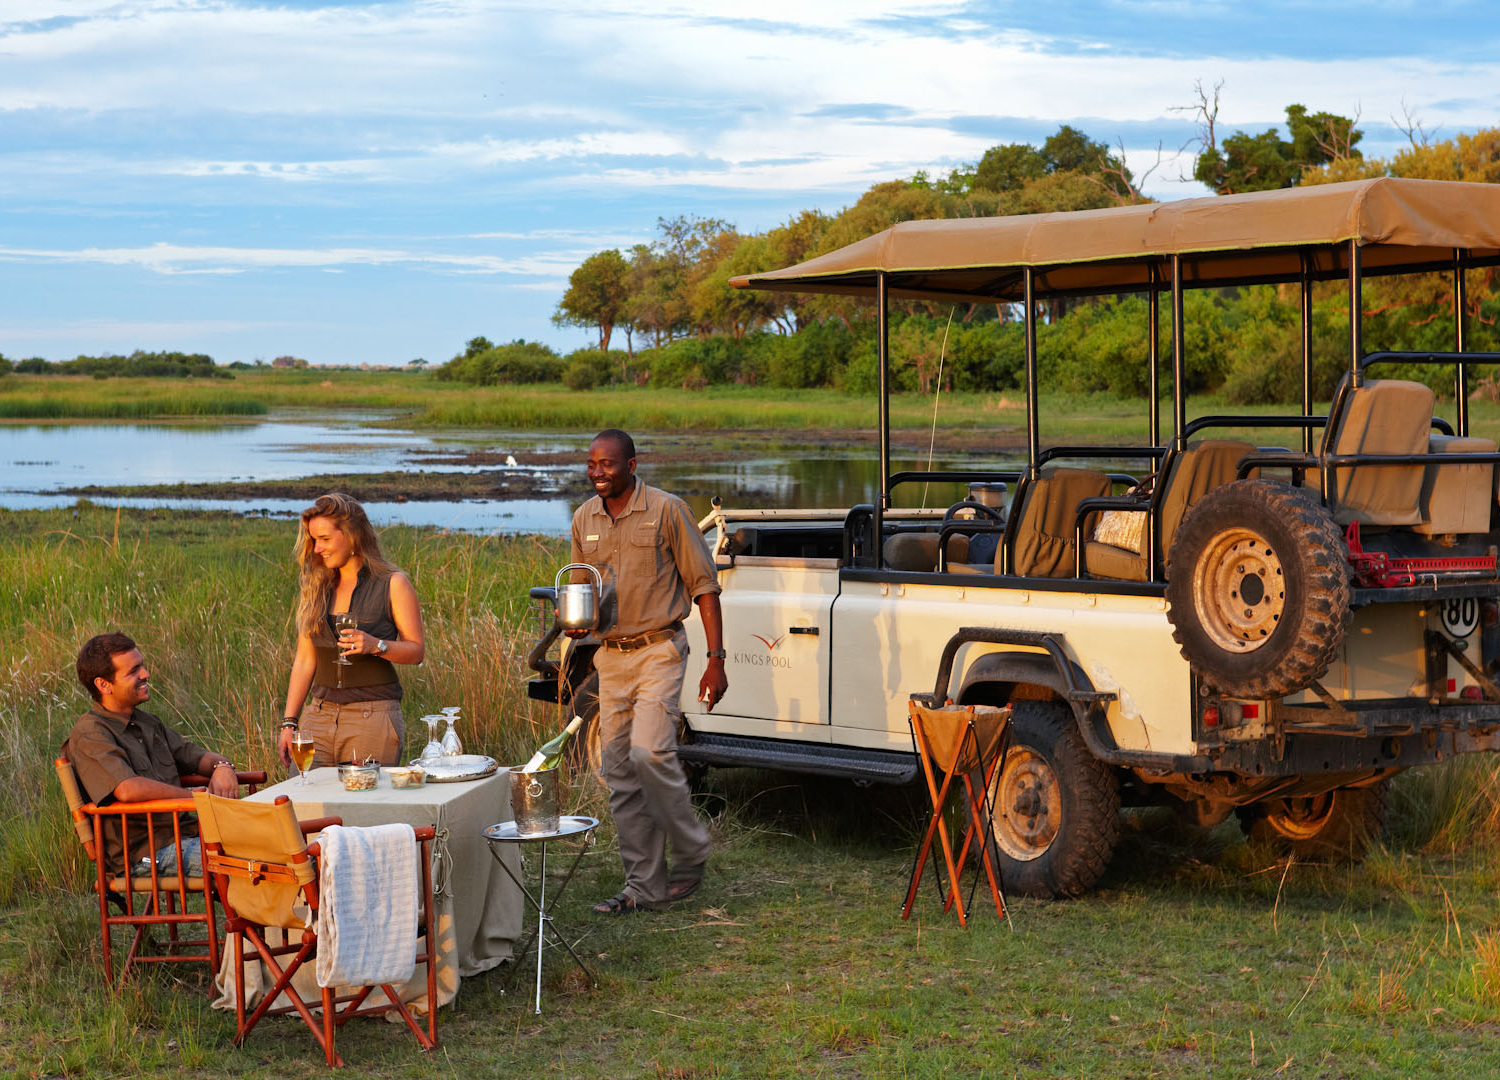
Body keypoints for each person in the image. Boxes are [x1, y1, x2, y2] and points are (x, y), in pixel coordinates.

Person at [566, 429, 727, 915]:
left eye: (608, 464)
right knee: (619, 770)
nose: (598, 472)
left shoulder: (667, 509)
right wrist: (578, 624)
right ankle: (645, 886)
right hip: (610, 655)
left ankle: (692, 844)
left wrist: (716, 661)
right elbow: (581, 588)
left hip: (659, 650)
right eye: (592, 463)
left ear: (631, 466)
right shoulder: (583, 518)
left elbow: (705, 588)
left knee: (650, 752)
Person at [65, 632, 240, 876]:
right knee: (247, 860)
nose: (145, 674)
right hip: (144, 852)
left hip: (186, 833)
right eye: (133, 671)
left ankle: (260, 911)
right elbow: (128, 788)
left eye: (142, 666)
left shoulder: (147, 723)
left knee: (271, 844)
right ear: (103, 685)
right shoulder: (90, 733)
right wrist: (195, 800)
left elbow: (196, 757)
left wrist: (222, 766)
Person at [277, 493, 426, 771]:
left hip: (372, 718)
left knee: (365, 809)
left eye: (324, 539)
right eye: (313, 540)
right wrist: (289, 722)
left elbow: (416, 651)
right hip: (317, 718)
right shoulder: (315, 587)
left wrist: (377, 646)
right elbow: (305, 661)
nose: (317, 548)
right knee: (307, 809)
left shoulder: (393, 584)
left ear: (351, 535)